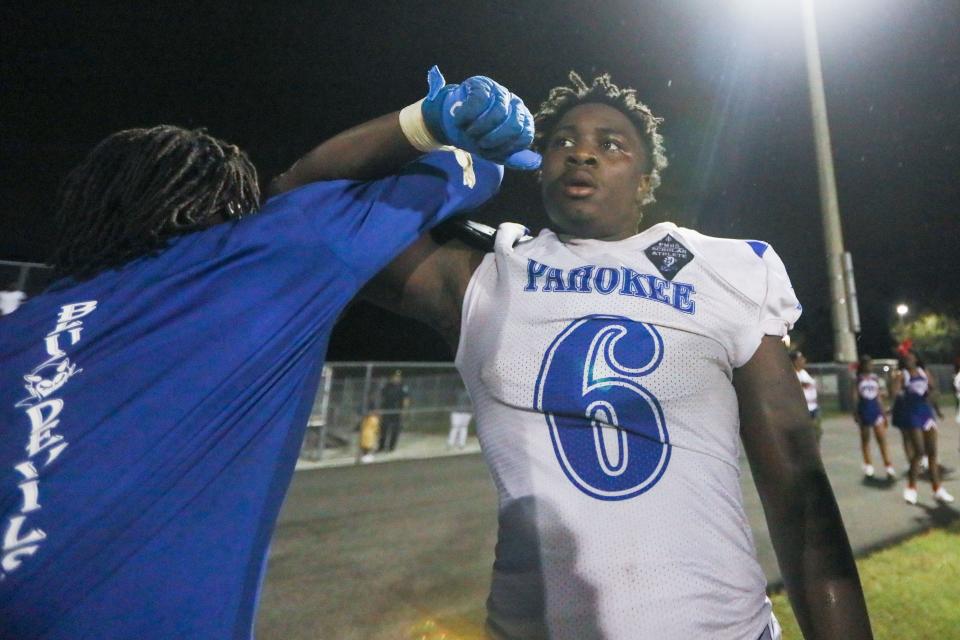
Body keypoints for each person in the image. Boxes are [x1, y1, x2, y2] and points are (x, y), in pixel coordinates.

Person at [0, 67, 539, 639]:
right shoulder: (256, 255)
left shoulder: (20, 324)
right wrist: (451, 133)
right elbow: (445, 176)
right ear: (218, 209)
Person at [366, 72, 871, 639]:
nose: (581, 152)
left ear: (645, 181)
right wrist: (424, 129)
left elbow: (800, 492)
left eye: (610, 144)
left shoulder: (723, 271)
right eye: (561, 141)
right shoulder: (488, 273)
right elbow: (313, 214)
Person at [891, 350, 954, 504]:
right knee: (919, 452)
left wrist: (934, 398)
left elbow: (933, 389)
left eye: (911, 357)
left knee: (932, 453)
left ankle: (937, 489)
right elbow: (894, 392)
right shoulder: (902, 375)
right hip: (912, 414)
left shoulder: (923, 372)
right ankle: (911, 488)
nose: (909, 360)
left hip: (926, 413)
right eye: (906, 358)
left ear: (916, 358)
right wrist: (899, 393)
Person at [851, 355, 896, 479]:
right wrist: (856, 412)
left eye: (870, 364)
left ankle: (888, 465)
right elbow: (855, 396)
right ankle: (868, 464)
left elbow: (878, 397)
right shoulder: (858, 379)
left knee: (881, 438)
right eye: (867, 364)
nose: (870, 366)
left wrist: (883, 413)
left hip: (875, 409)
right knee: (865, 439)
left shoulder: (875, 379)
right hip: (864, 409)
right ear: (863, 365)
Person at [790, 350, 822, 445]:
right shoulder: (791, 374)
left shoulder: (804, 372)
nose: (803, 360)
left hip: (813, 407)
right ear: (794, 361)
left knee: (817, 432)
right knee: (807, 434)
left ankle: (816, 452)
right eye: (800, 359)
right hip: (802, 409)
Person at [378, 369, 410, 452]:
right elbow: (382, 397)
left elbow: (406, 399)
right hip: (386, 410)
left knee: (395, 430)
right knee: (383, 429)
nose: (396, 378)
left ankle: (391, 447)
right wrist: (380, 409)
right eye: (395, 377)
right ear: (391, 377)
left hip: (397, 411)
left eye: (398, 377)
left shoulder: (403, 387)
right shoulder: (387, 385)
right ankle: (381, 447)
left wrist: (404, 411)